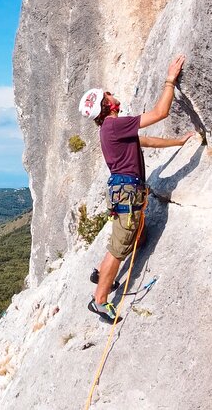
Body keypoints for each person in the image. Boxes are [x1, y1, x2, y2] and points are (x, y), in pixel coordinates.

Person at [79, 54, 195, 323]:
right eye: (108, 94)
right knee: (119, 249)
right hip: (128, 194)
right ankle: (100, 301)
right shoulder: (115, 125)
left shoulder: (112, 130)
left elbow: (147, 142)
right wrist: (170, 80)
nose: (113, 94)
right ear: (107, 105)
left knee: (132, 235)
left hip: (125, 193)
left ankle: (100, 273)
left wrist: (178, 142)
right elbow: (160, 113)